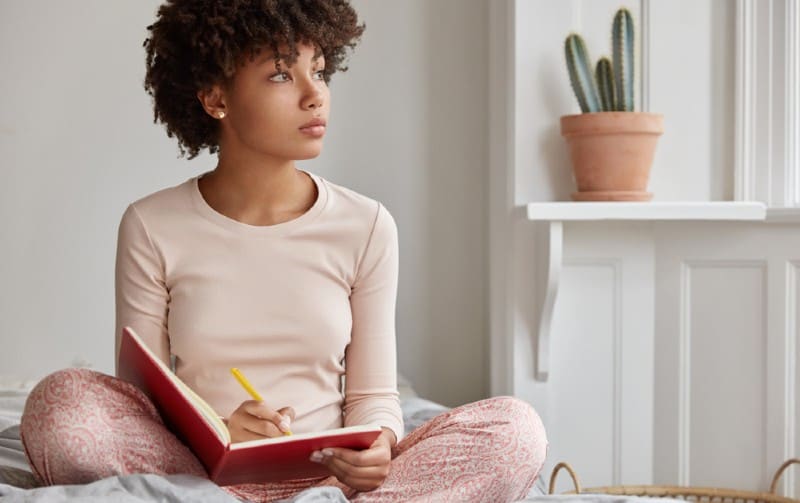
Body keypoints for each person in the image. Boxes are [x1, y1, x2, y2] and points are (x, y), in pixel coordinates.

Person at [20, 1, 548, 501]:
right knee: (60, 406)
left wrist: (381, 445)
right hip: (198, 476)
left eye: (318, 70)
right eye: (280, 74)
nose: (314, 94)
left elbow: (372, 397)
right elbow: (143, 403)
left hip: (332, 481)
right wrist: (219, 429)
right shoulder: (151, 225)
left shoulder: (366, 225)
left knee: (515, 431)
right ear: (215, 98)